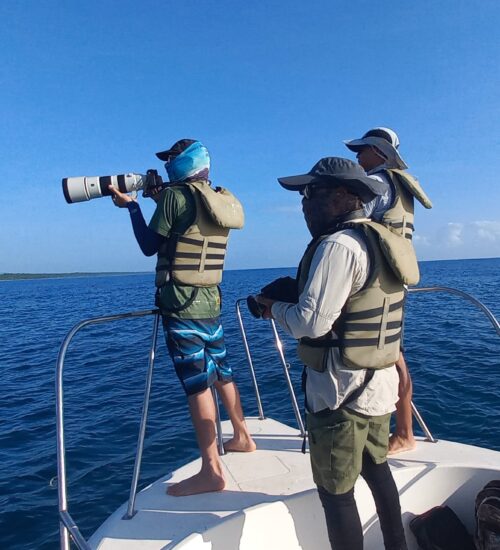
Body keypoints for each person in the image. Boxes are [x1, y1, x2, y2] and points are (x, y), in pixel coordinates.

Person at [256, 157, 408, 550]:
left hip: (340, 391)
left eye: (310, 193)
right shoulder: (378, 239)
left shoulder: (338, 246)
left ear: (343, 195)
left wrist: (274, 307)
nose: (303, 203)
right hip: (378, 385)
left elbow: (311, 324)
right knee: (377, 470)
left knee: (335, 492)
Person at [110, 138, 255, 497]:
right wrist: (160, 199)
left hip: (180, 304)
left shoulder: (174, 197)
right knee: (222, 372)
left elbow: (149, 245)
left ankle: (211, 470)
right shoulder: (216, 198)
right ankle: (242, 436)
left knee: (197, 384)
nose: (166, 164)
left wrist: (132, 207)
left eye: (171, 158)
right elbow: (188, 225)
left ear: (184, 161)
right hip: (210, 301)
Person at [344, 127, 432, 455]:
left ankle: (402, 433)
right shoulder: (399, 185)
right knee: (393, 354)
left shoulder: (377, 183)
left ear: (379, 153)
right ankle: (401, 430)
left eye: (362, 149)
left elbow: (350, 220)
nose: (357, 155)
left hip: (376, 282)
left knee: (390, 357)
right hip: (395, 280)